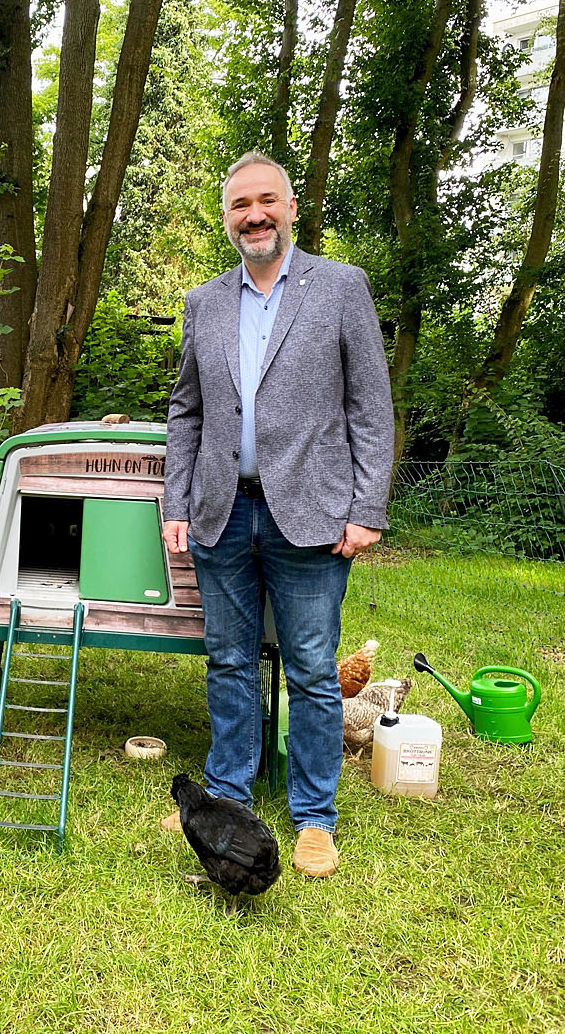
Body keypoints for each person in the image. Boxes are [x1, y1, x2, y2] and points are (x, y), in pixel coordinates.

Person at [162, 151, 393, 879]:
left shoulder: (340, 288)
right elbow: (186, 411)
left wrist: (367, 507)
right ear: (226, 217)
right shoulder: (204, 303)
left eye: (267, 201)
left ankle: (314, 817)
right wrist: (176, 500)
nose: (254, 215)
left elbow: (371, 406)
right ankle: (226, 798)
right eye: (239, 205)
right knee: (229, 662)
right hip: (221, 514)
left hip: (315, 514)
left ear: (291, 208)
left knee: (315, 672)